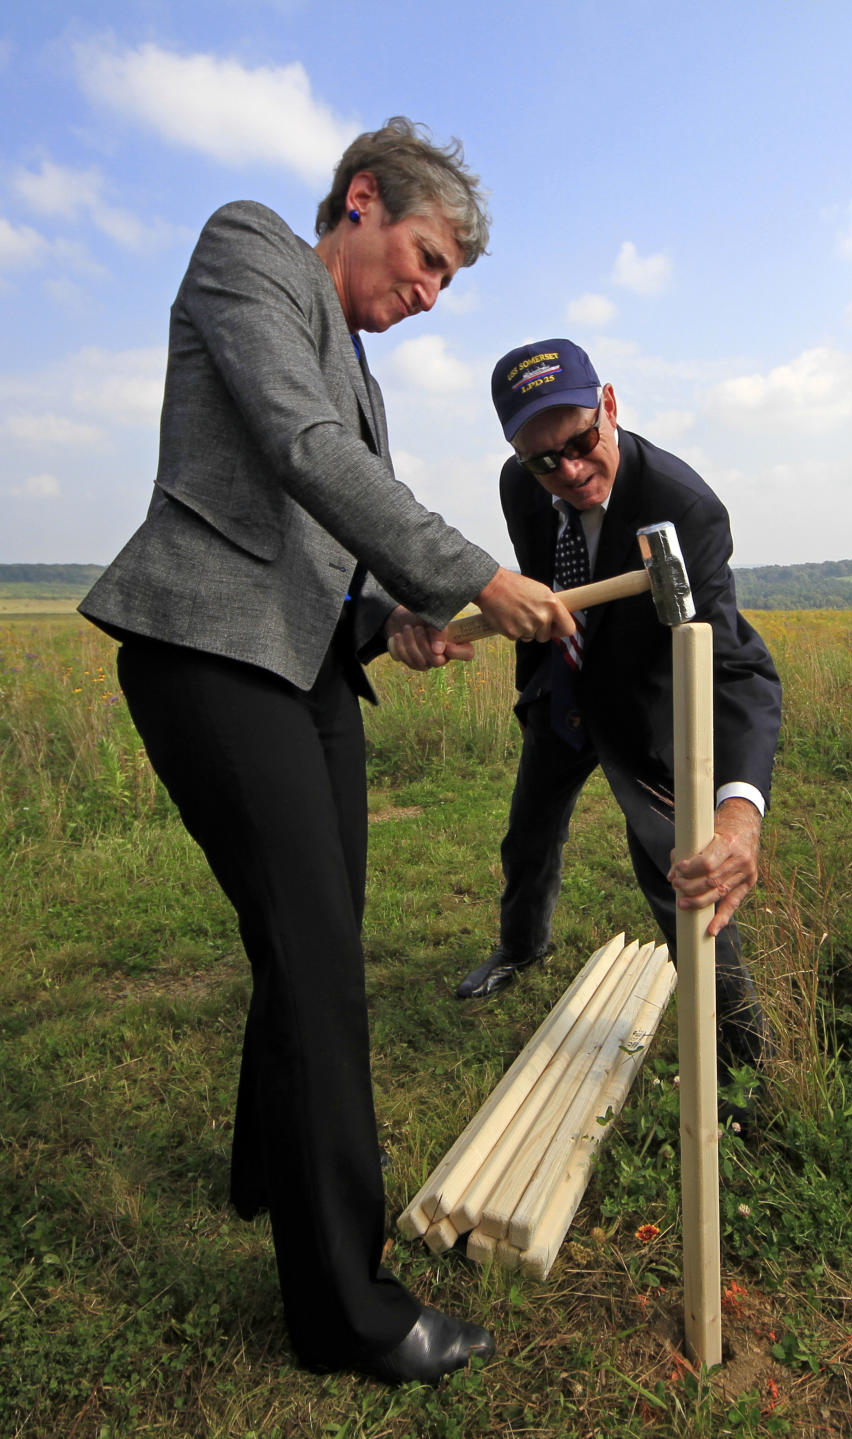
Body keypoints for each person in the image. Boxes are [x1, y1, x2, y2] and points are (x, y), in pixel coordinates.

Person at [79, 120, 574, 1386]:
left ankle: (267, 1170)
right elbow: (301, 452)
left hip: (304, 669)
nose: (427, 293)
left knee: (315, 937)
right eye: (422, 259)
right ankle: (349, 1312)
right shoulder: (248, 246)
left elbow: (326, 546)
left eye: (448, 283)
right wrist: (474, 571)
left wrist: (393, 617)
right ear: (361, 200)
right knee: (316, 964)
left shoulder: (366, 371)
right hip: (205, 651)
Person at [452, 339, 782, 1111]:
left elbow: (739, 668)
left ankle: (745, 1060)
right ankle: (519, 946)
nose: (567, 470)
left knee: (686, 875)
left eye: (579, 442)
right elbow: (538, 577)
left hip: (643, 709)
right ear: (514, 453)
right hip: (562, 690)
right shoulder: (519, 484)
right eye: (543, 459)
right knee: (526, 835)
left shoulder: (683, 506)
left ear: (609, 403)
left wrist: (738, 815)